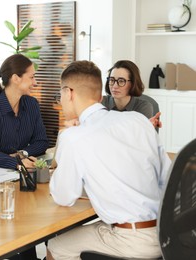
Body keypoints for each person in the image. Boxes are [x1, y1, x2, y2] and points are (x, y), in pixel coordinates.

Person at [46, 61, 172, 259]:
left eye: (60, 94)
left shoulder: (74, 137)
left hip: (131, 240)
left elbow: (63, 197)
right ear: (99, 96)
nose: (60, 100)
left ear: (69, 93)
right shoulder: (138, 120)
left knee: (56, 245)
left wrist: (65, 139)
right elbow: (167, 177)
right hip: (166, 232)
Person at [0, 54, 49, 170]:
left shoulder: (31, 104)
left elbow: (41, 142)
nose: (35, 82)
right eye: (31, 77)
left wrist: (22, 154)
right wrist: (16, 162)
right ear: (15, 78)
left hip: (19, 170)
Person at [102, 60, 162, 128]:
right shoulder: (99, 103)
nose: (115, 86)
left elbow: (138, 136)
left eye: (121, 81)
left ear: (133, 84)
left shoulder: (143, 107)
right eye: (112, 80)